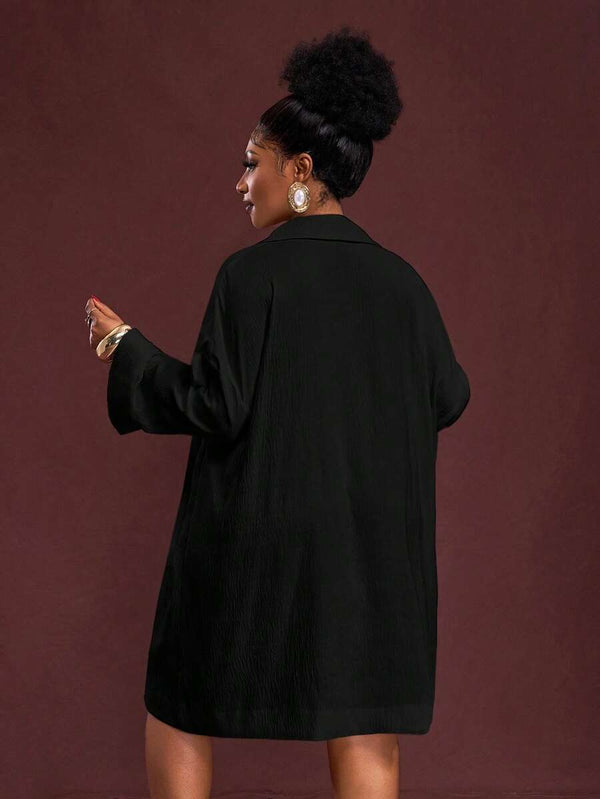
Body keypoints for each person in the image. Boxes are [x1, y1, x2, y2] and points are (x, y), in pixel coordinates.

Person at [85, 25, 471, 799]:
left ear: (298, 170)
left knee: (178, 703)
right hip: (370, 556)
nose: (241, 182)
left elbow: (212, 402)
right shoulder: (405, 286)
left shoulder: (250, 277)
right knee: (364, 717)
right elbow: (449, 396)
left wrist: (127, 350)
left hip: (255, 551)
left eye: (251, 162)